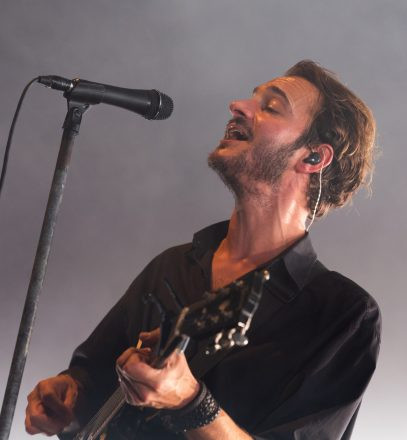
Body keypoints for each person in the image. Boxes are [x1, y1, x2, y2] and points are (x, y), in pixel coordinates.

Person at [25, 60, 381, 439]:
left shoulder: (344, 315)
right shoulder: (172, 266)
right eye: (252, 98)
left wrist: (191, 403)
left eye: (272, 107)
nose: (237, 106)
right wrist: (68, 398)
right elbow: (90, 378)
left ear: (313, 157)